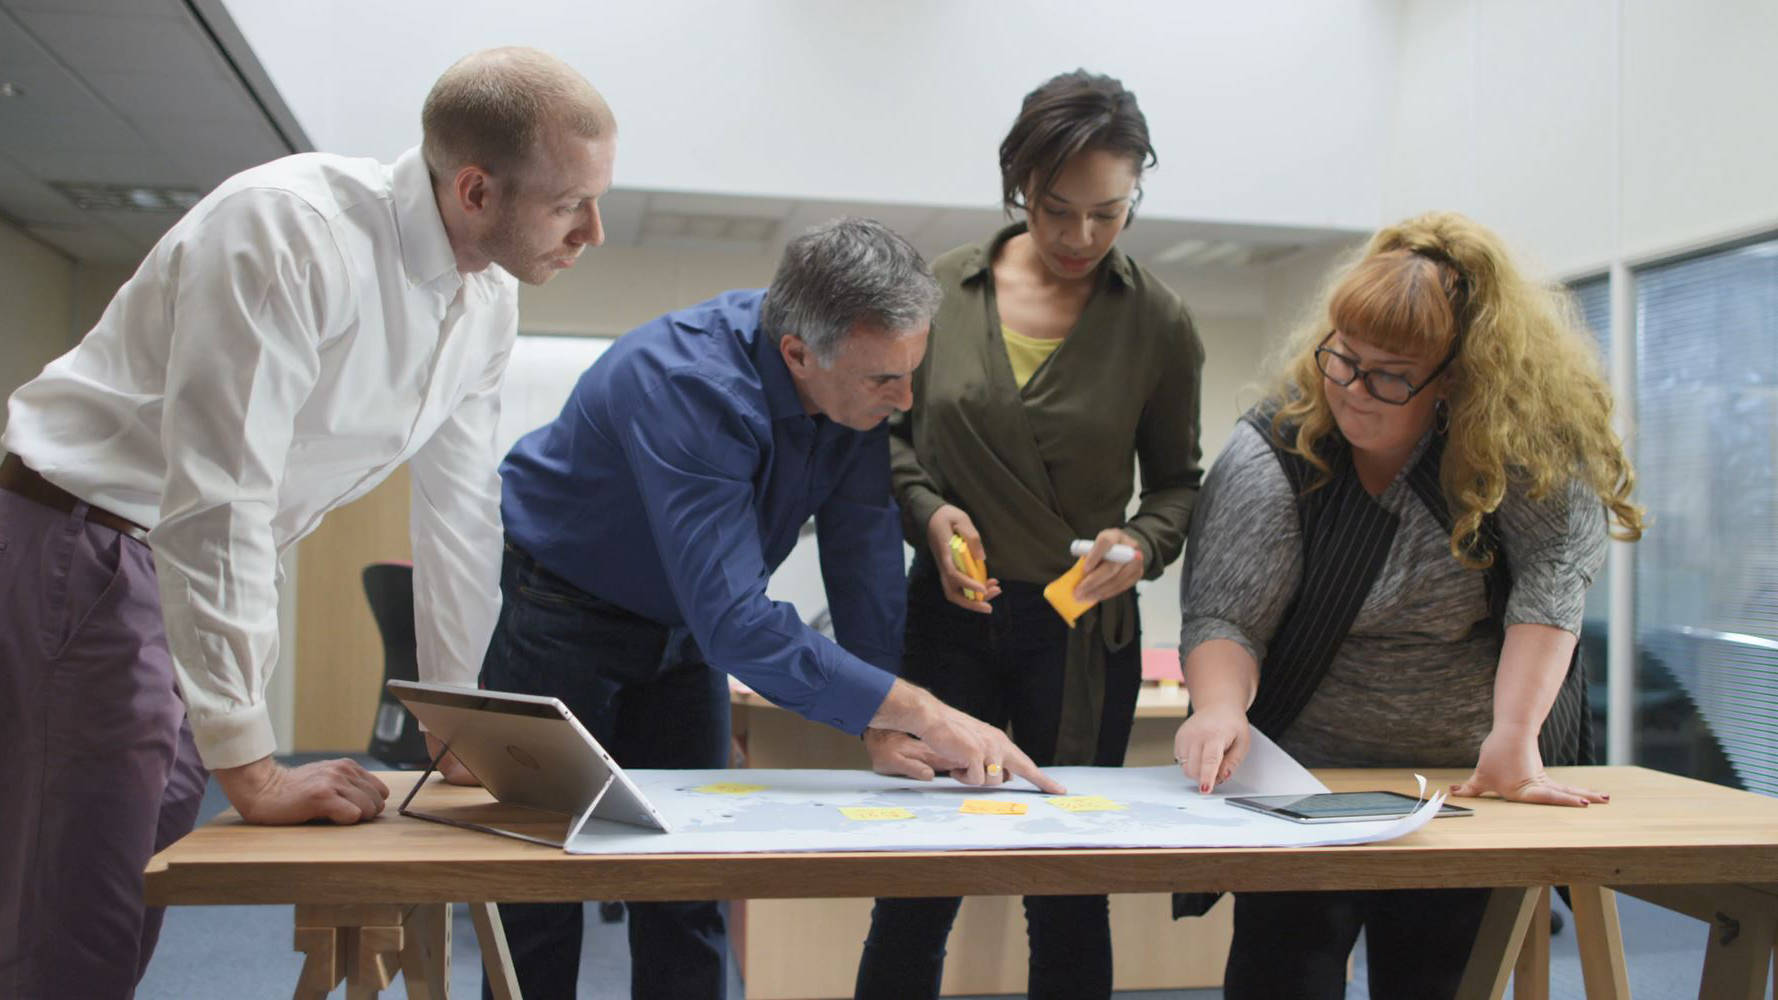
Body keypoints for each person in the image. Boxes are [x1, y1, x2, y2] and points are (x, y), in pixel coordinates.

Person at [0, 47, 615, 998]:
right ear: (477, 189)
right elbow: (220, 492)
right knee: (86, 893)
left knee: (148, 851)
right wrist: (252, 766)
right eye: (571, 203)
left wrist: (457, 717)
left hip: (154, 551)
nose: (594, 232)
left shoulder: (484, 301)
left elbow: (459, 510)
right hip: (85, 537)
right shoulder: (291, 230)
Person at [476, 217, 1064, 999]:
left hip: (683, 637)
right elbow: (737, 623)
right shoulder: (686, 385)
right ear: (797, 354)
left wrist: (882, 717)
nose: (906, 398)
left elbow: (861, 553)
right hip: (563, 611)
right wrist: (922, 708)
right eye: (884, 381)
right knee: (541, 887)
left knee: (690, 883)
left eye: (911, 372)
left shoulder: (852, 393)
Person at [1171, 210, 1645, 999]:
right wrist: (1219, 709)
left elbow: (1551, 588)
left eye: (1391, 374)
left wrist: (1514, 738)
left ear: (1457, 375)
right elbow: (1227, 615)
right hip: (1302, 780)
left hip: (1469, 781)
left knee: (1440, 978)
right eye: (1343, 360)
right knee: (1282, 975)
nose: (1354, 391)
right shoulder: (1276, 449)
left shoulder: (1523, 451)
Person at [855, 70, 1205, 1000]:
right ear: (1020, 187)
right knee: (919, 880)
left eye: (1110, 212)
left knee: (1067, 888)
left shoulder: (1160, 323)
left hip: (1080, 635)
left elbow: (1177, 486)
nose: (1083, 237)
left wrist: (1138, 546)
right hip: (949, 620)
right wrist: (928, 515)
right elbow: (883, 439)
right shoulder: (939, 292)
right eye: (1058, 209)